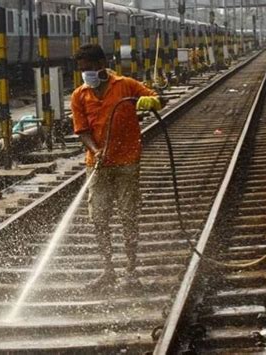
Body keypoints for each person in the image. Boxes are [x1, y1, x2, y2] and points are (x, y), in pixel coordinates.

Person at [71, 44, 163, 292]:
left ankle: (131, 271)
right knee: (99, 217)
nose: (86, 74)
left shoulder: (126, 86)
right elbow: (82, 131)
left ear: (102, 65)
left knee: (128, 216)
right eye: (82, 70)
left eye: (89, 69)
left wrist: (150, 101)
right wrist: (95, 149)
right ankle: (108, 270)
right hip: (98, 165)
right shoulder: (79, 95)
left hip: (127, 162)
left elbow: (157, 99)